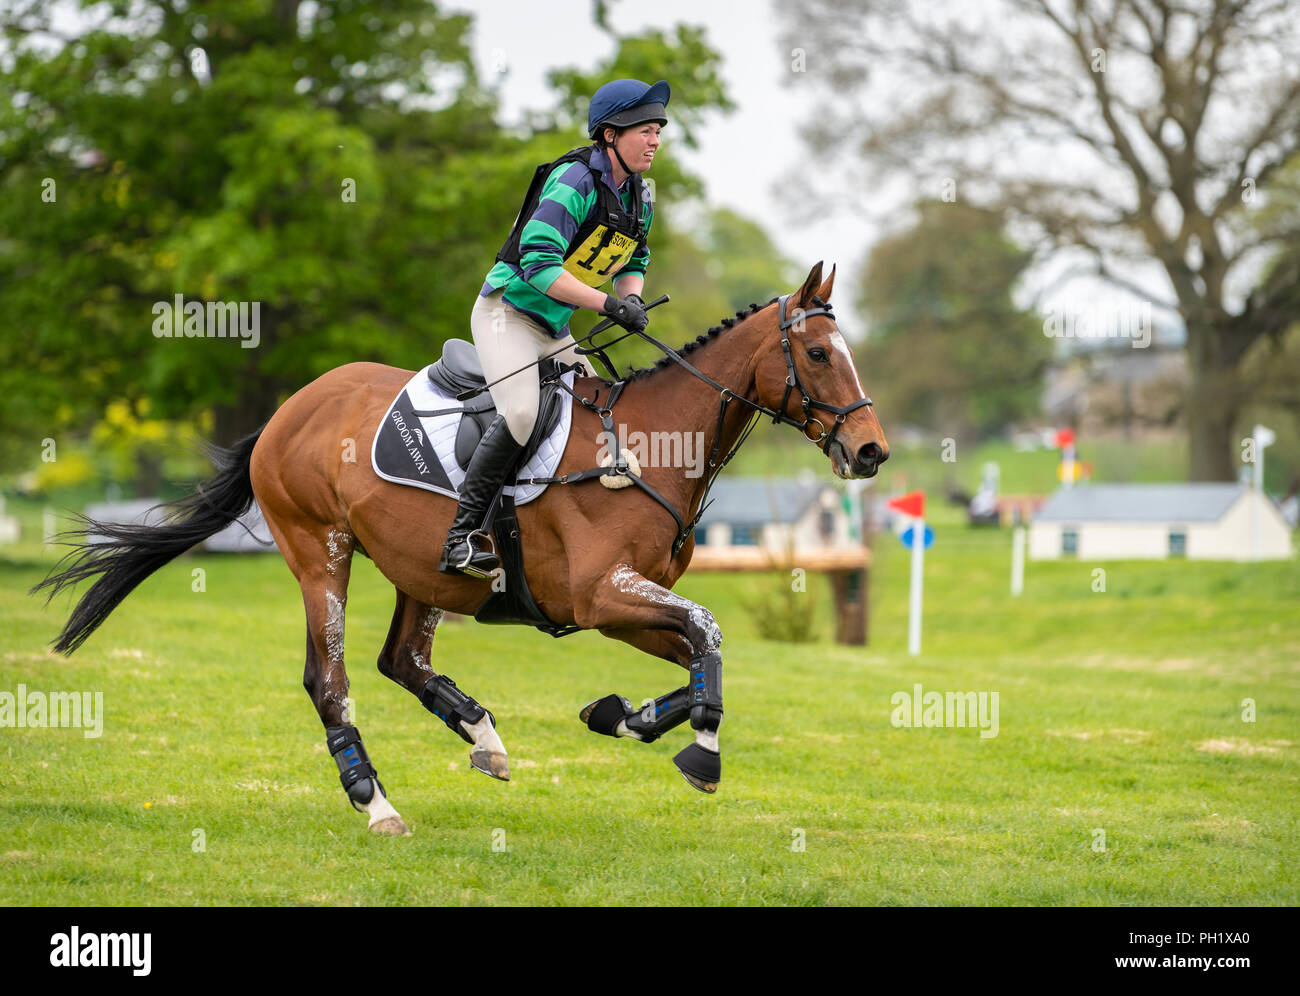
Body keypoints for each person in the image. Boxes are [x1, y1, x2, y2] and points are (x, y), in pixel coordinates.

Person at [439, 78, 668, 577]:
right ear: (610, 134)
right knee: (521, 413)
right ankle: (460, 538)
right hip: (508, 313)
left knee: (599, 410)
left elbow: (637, 254)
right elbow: (539, 265)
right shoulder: (574, 181)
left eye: (658, 131)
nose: (655, 140)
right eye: (645, 130)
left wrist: (630, 298)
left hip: (553, 327)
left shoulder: (640, 194)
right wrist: (608, 305)